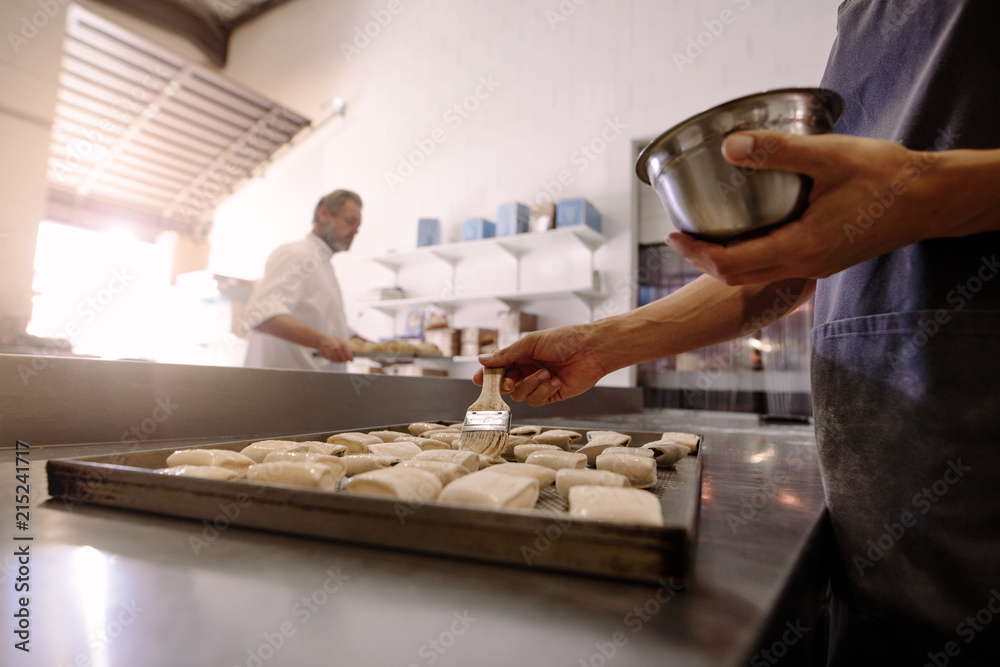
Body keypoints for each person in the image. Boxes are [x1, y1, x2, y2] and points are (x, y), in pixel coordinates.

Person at [477, 2, 999, 665]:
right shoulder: (862, 19)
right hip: (882, 492)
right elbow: (791, 267)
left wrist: (921, 191)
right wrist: (602, 344)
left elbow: (901, 204)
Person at [243, 189, 364, 371]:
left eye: (358, 226)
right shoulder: (296, 255)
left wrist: (380, 350)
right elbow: (263, 314)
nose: (355, 232)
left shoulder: (323, 265)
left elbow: (331, 329)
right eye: (350, 221)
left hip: (312, 389)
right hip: (285, 388)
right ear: (324, 214)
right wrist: (321, 341)